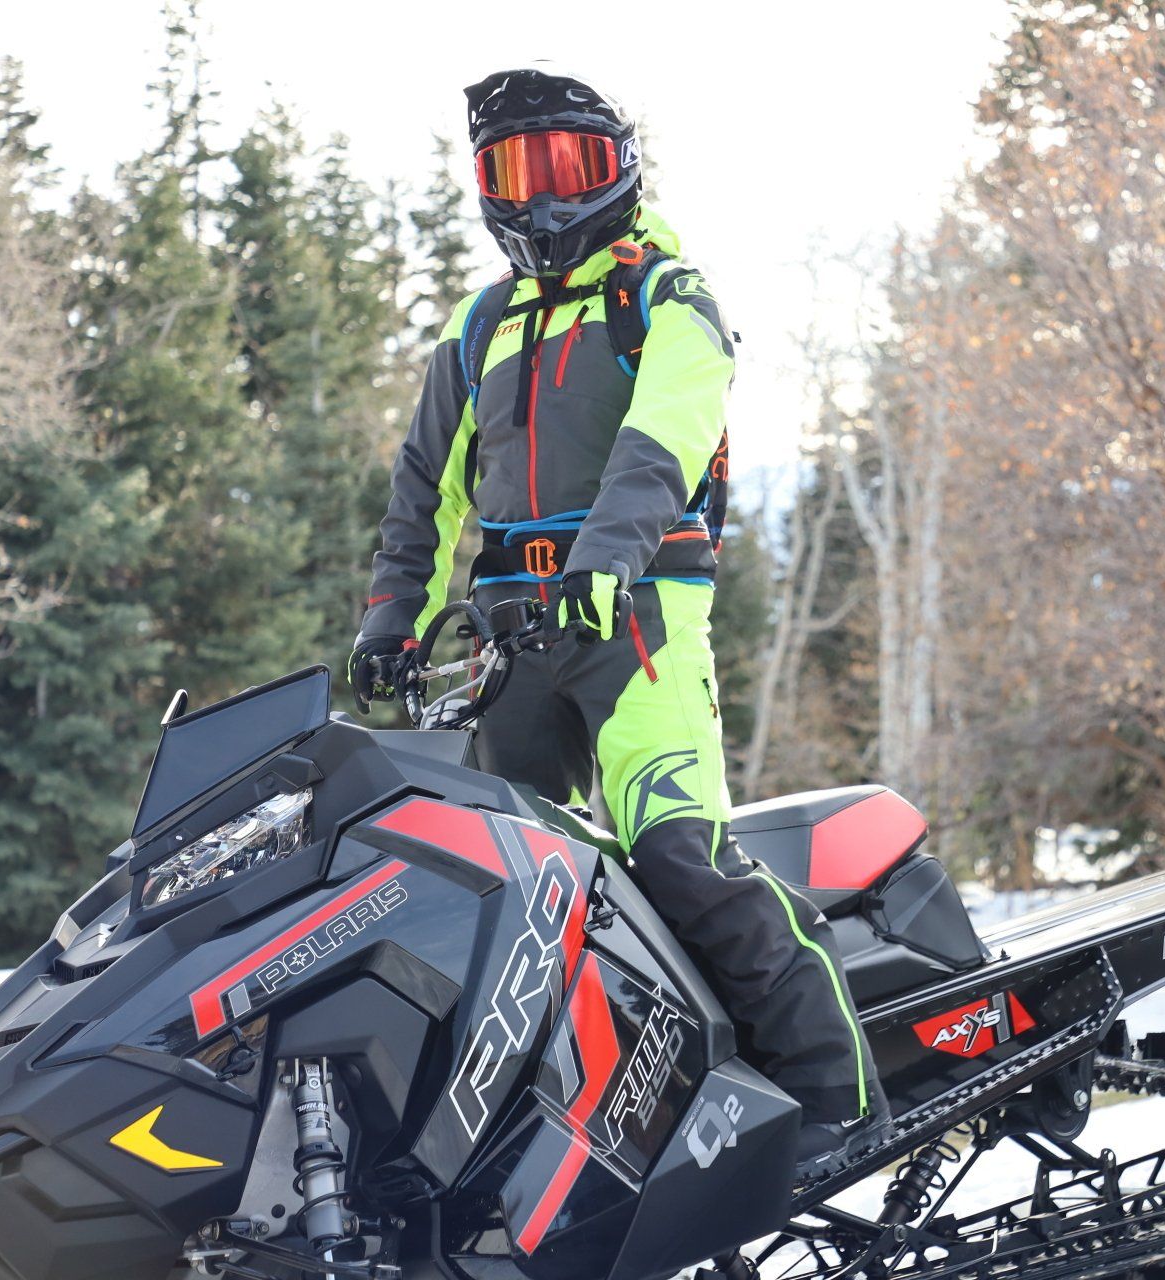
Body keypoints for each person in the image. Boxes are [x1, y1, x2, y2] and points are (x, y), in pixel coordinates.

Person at [348, 66, 883, 1169]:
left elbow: (659, 450)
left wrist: (604, 559)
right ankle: (530, 1138)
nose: (540, 197)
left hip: (634, 624)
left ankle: (840, 1098)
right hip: (508, 645)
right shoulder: (482, 324)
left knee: (677, 851)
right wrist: (391, 618)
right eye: (512, 169)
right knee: (498, 893)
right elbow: (422, 488)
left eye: (566, 167)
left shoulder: (669, 299)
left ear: (620, 170)